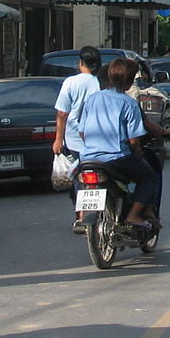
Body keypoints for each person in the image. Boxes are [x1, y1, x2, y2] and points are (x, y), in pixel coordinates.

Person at [78, 58, 161, 229]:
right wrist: (137, 151)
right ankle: (133, 215)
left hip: (89, 159)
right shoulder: (128, 103)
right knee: (149, 178)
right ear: (130, 81)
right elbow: (133, 140)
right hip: (117, 159)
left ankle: (81, 215)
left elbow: (82, 131)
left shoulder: (92, 99)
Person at [52, 46, 102, 230]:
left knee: (77, 177)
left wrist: (58, 139)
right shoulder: (99, 83)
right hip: (97, 139)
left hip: (72, 140)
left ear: (80, 62)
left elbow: (62, 114)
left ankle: (80, 216)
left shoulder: (70, 83)